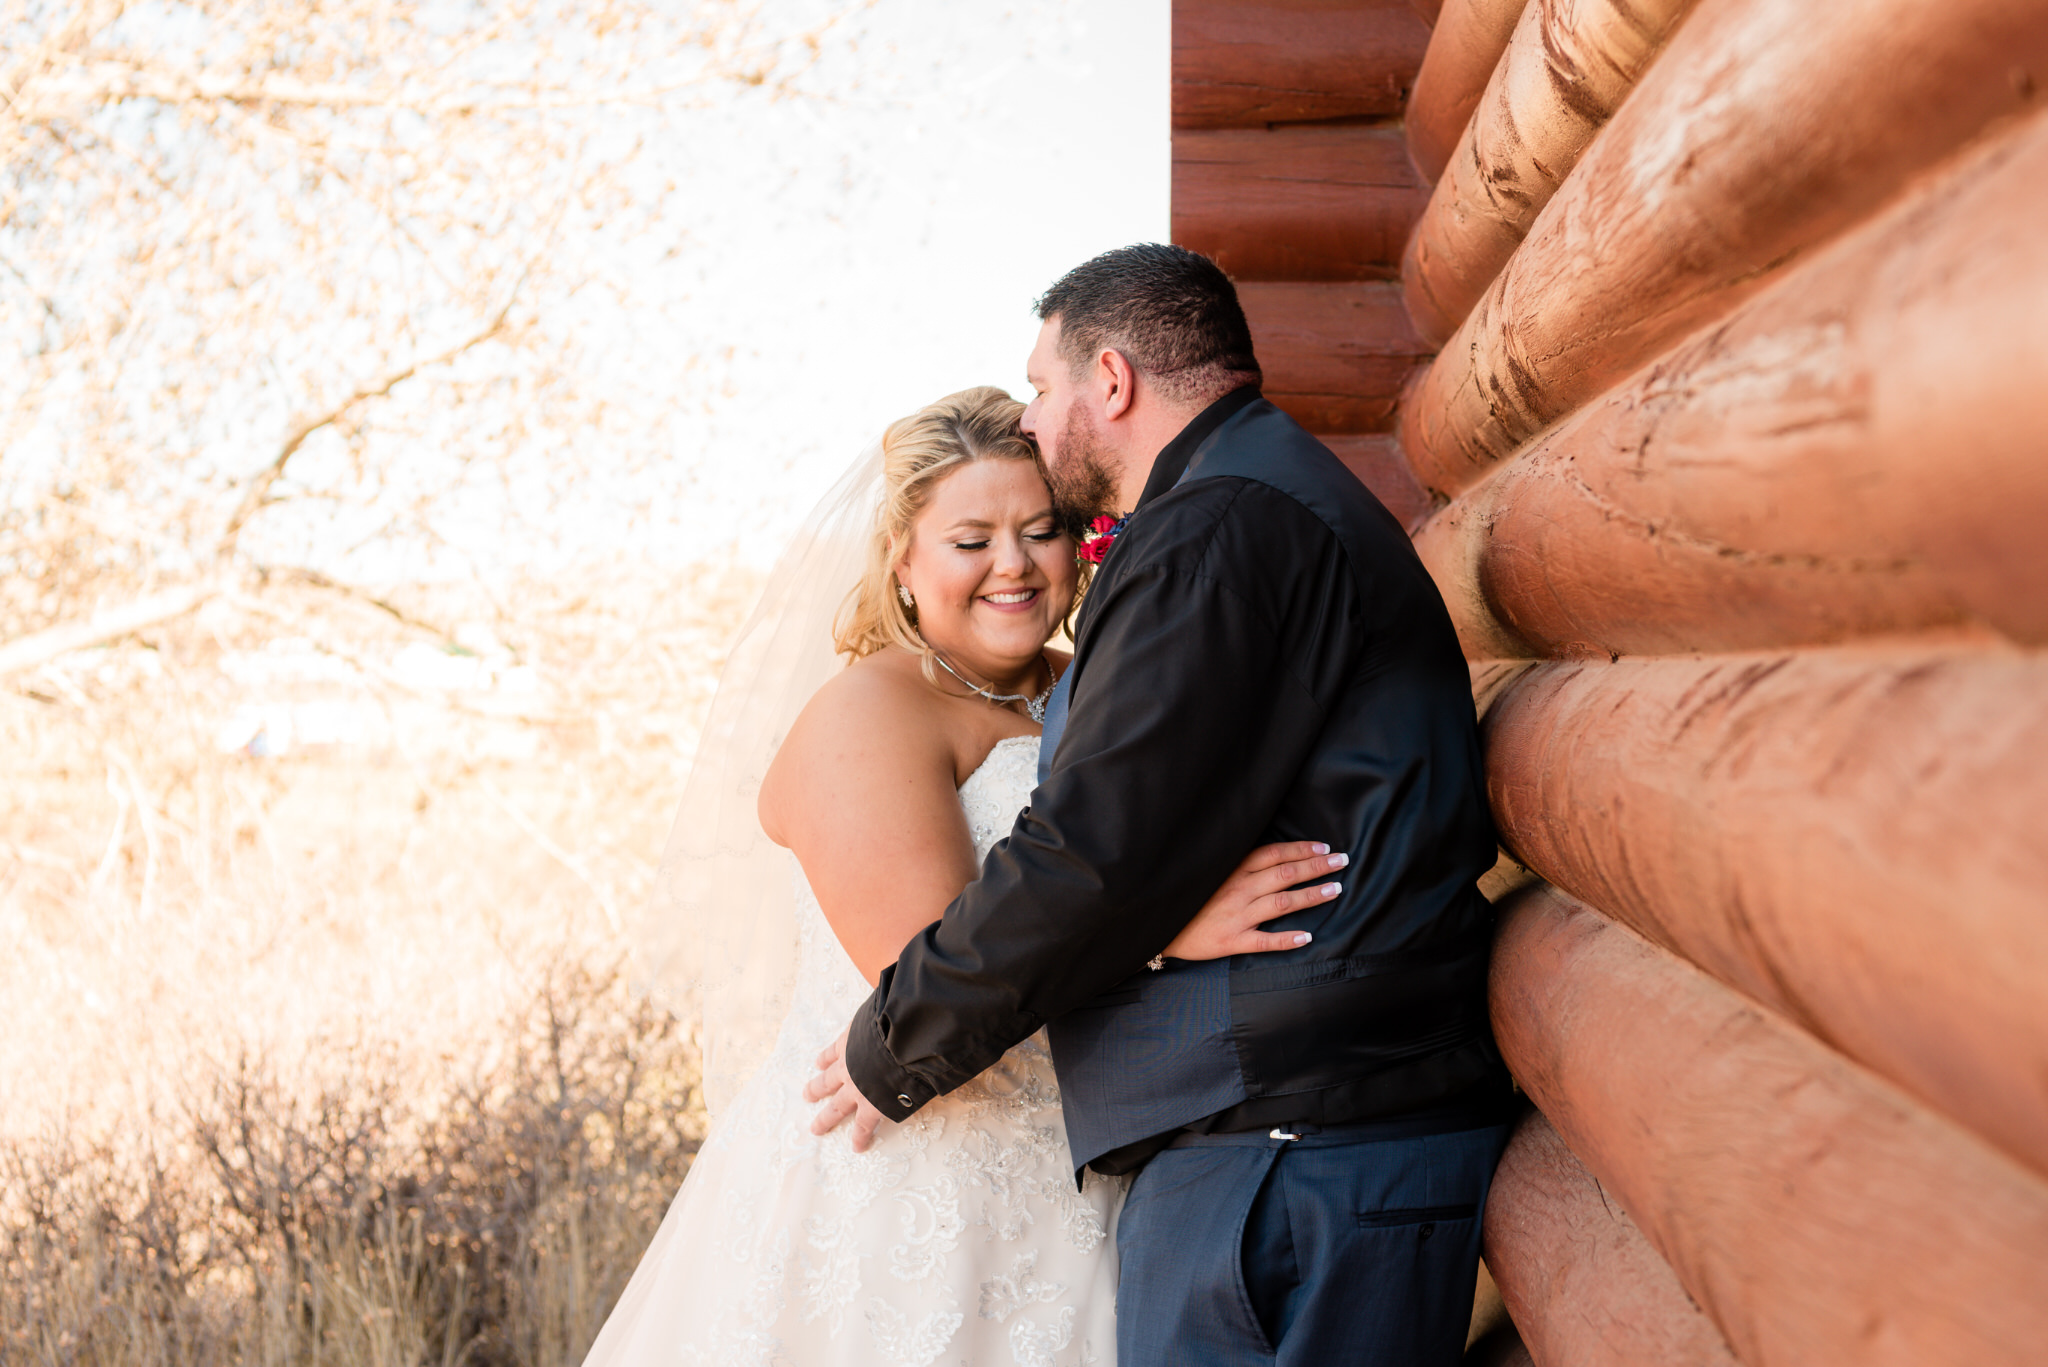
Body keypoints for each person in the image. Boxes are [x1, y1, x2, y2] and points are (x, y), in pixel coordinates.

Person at [807, 246, 1516, 1367]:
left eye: (1042, 388)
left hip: (1293, 1150)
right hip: (1283, 1132)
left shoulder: (1217, 528)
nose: (1035, 422)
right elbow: (1147, 841)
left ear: (1111, 378)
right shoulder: (1249, 499)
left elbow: (1097, 851)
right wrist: (1157, 919)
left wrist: (892, 1046)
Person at [586, 386, 1339, 1366]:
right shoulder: (869, 713)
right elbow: (930, 974)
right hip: (903, 1191)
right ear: (900, 558)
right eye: (969, 538)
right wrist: (1168, 929)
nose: (1013, 565)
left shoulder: (1100, 682)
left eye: (1040, 529)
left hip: (1094, 1184)